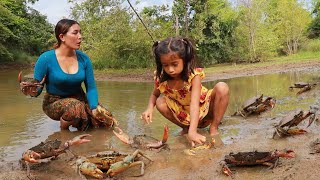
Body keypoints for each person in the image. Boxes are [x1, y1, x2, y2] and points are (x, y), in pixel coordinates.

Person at [141, 37, 229, 146]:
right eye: (165, 65)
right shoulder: (162, 78)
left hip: (203, 109)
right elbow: (155, 94)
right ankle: (186, 128)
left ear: (184, 60)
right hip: (184, 116)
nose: (170, 69)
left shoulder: (193, 76)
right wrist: (149, 109)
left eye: (174, 64)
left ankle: (214, 127)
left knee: (222, 87)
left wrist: (194, 132)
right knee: (160, 102)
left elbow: (194, 104)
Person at [20, 19, 100, 131]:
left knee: (101, 119)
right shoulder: (46, 59)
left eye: (80, 32)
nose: (80, 36)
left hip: (79, 98)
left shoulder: (84, 59)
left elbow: (91, 88)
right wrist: (30, 91)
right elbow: (37, 89)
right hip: (53, 102)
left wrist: (94, 108)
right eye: (75, 33)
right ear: (62, 37)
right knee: (75, 106)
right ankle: (63, 133)